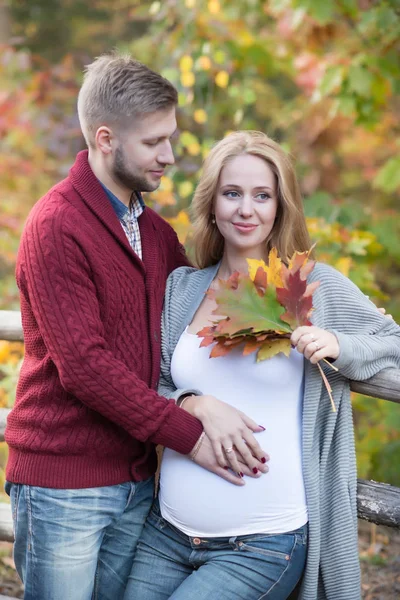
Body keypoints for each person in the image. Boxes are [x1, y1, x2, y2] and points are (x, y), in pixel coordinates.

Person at [4, 56, 268, 600]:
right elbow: (85, 368)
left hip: (137, 481)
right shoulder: (56, 226)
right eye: (154, 142)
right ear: (106, 139)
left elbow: (198, 317)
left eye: (170, 138)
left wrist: (314, 312)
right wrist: (189, 434)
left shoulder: (154, 231)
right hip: (63, 485)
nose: (169, 156)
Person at [125, 130, 400, 600]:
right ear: (212, 204)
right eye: (232, 194)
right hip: (166, 534)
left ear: (280, 207)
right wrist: (193, 403)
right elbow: (156, 382)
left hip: (262, 545)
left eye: (262, 195)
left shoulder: (313, 289)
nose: (245, 209)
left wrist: (339, 342)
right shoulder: (183, 289)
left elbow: (391, 340)